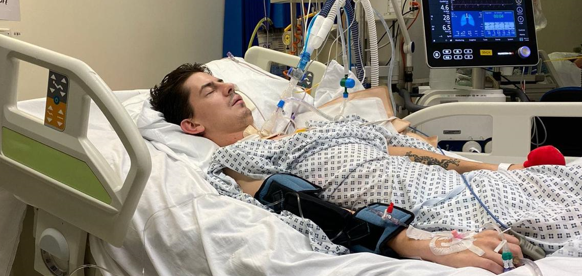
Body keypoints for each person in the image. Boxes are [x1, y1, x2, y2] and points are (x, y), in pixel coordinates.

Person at [150, 63, 582, 274]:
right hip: (435, 211)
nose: (228, 85)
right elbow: (295, 203)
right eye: (210, 89)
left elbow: (401, 150)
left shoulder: (299, 132)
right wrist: (416, 242)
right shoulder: (238, 163)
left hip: (472, 184)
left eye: (221, 79)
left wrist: (495, 168)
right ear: (192, 124)